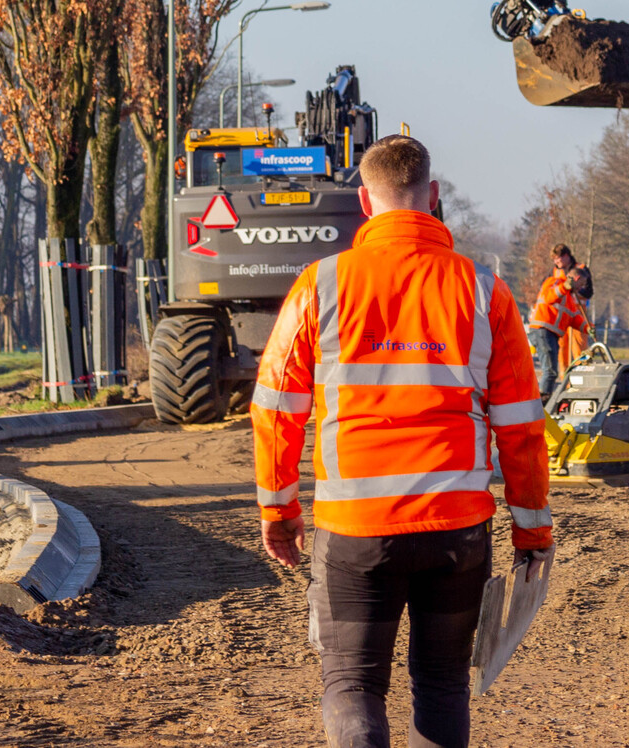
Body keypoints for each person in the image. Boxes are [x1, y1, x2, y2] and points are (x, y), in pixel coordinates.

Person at [250, 135, 555, 748]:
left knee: (354, 685)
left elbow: (276, 410)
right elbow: (522, 428)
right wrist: (532, 532)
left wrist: (278, 510)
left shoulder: (320, 285)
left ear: (365, 201)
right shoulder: (485, 294)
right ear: (434, 198)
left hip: (355, 531)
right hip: (456, 532)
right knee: (442, 684)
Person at [528, 244, 589, 399]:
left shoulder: (568, 298)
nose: (581, 288)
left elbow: (574, 318)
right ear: (575, 279)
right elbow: (549, 297)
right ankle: (542, 401)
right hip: (542, 330)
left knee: (552, 370)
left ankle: (545, 398)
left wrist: (588, 328)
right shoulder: (552, 282)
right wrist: (564, 287)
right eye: (581, 284)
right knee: (549, 370)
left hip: (551, 334)